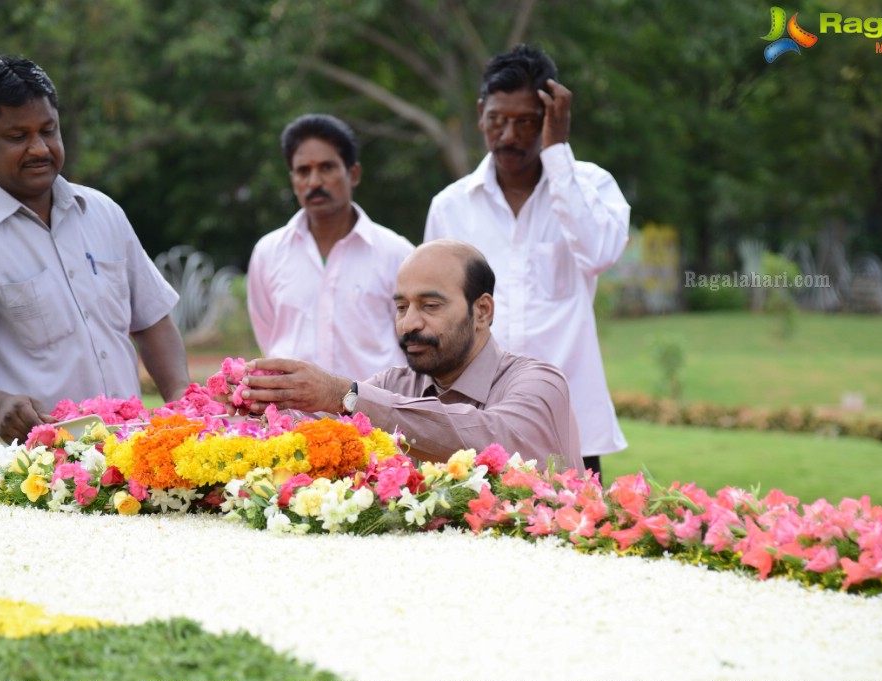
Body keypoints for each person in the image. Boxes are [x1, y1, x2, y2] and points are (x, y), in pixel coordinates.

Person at [0, 56, 189, 449]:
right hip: (32, 478)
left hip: (128, 461)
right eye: (17, 136)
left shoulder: (103, 213)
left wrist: (181, 399)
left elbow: (152, 319)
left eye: (48, 130)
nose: (39, 148)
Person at [424, 44, 630, 478]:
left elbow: (600, 253)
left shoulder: (591, 187)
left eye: (526, 122)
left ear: (551, 119)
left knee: (577, 538)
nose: (510, 136)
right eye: (497, 120)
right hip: (473, 418)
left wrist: (558, 152)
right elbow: (433, 307)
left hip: (568, 416)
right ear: (481, 113)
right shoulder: (450, 206)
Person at [239, 239, 583, 471]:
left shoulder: (540, 383)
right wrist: (255, 405)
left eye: (430, 306)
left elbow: (495, 442)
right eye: (402, 307)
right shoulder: (395, 385)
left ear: (482, 311)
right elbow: (317, 431)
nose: (409, 324)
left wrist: (344, 395)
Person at [247, 114, 414, 379]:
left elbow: (413, 340)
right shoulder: (268, 253)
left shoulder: (397, 254)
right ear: (293, 180)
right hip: (292, 417)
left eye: (327, 168)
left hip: (374, 414)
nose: (314, 182)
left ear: (353, 174)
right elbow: (269, 333)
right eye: (303, 171)